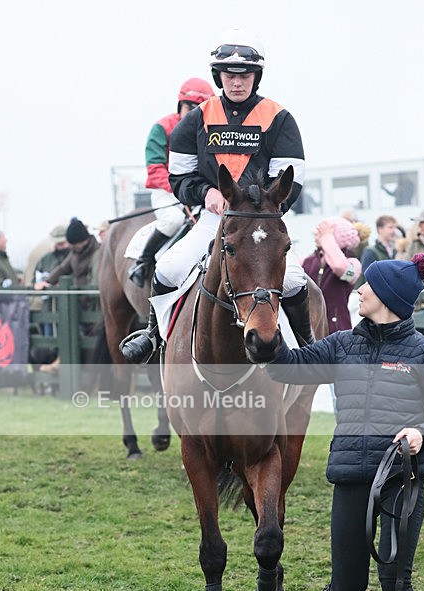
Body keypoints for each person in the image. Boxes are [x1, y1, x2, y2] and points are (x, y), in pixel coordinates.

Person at [267, 253, 424, 591]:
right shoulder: (342, 344)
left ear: (387, 298)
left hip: (402, 478)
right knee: (345, 586)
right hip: (349, 477)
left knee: (395, 576)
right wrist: (266, 333)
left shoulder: (423, 353)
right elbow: (288, 366)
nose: (357, 290)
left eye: (366, 285)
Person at [121, 28, 311, 364]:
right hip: (215, 218)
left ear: (256, 76)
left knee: (294, 281)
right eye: (229, 75)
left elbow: (289, 181)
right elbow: (179, 174)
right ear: (218, 76)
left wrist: (258, 205)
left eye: (245, 75)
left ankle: (308, 347)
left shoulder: (280, 119)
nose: (237, 83)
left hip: (262, 222)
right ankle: (153, 336)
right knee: (167, 267)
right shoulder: (196, 120)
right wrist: (205, 191)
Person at [128, 77, 215, 288]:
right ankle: (143, 261)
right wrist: (182, 191)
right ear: (180, 105)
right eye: (189, 107)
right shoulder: (161, 128)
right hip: (167, 190)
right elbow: (155, 168)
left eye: (199, 108)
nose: (194, 112)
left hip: (200, 191)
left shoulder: (212, 132)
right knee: (174, 219)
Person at [302, 217, 361, 334]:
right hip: (311, 331)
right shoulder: (307, 261)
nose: (316, 235)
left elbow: (340, 268)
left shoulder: (353, 263)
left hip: (338, 330)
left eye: (320, 233)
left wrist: (327, 239)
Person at [34, 218, 100, 290]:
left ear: (83, 241)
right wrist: (47, 281)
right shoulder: (75, 253)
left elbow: (96, 279)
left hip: (92, 295)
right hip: (77, 296)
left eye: (74, 245)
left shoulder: (98, 253)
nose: (71, 247)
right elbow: (62, 269)